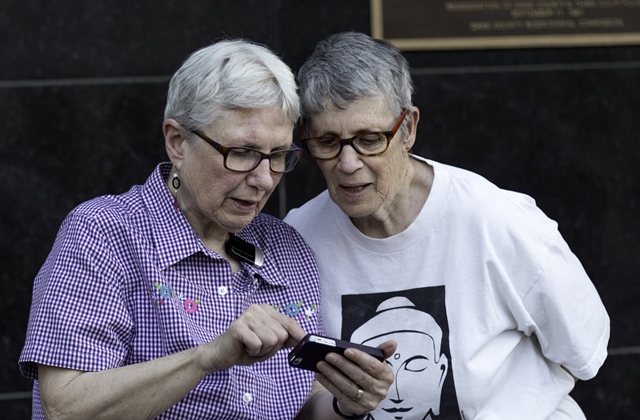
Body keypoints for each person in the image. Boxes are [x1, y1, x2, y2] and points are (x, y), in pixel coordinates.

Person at [19, 38, 395, 420]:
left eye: (278, 156)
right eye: (243, 153)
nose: (264, 179)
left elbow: (303, 403)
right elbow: (65, 408)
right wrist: (207, 358)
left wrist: (344, 403)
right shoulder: (105, 234)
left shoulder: (286, 248)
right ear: (177, 142)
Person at [285, 32, 610, 419]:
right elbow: (293, 389)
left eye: (370, 139)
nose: (348, 163)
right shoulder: (299, 235)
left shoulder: (494, 219)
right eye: (327, 142)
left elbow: (584, 349)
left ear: (408, 129)